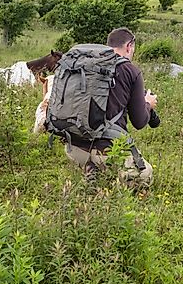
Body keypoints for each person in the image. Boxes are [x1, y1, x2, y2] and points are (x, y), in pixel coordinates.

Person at [62, 27, 159, 189]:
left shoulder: (86, 65)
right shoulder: (130, 71)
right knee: (145, 175)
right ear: (129, 46)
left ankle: (92, 170)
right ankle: (103, 171)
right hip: (107, 152)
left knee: (96, 171)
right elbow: (139, 122)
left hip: (73, 147)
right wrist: (148, 104)